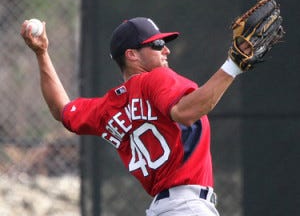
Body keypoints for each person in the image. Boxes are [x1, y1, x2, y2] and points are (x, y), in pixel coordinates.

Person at [21, 17, 250, 216]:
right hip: (187, 207)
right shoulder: (156, 79)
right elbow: (185, 112)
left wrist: (42, 53)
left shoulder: (108, 108)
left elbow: (61, 109)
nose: (166, 50)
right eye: (157, 44)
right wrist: (234, 65)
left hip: (163, 208)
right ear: (131, 55)